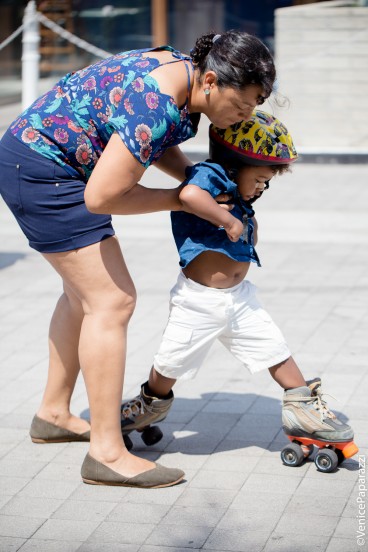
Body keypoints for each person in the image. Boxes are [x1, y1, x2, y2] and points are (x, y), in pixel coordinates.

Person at [0, 30, 277, 488]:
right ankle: (106, 453)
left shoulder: (179, 73)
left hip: (36, 156)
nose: (245, 116)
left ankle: (53, 413)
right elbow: (103, 195)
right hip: (43, 171)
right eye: (243, 106)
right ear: (211, 81)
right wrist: (181, 198)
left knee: (84, 297)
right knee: (112, 301)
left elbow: (146, 137)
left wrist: (193, 176)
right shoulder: (162, 101)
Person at [120, 111, 354, 454]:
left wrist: (248, 223)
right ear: (235, 162)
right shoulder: (209, 175)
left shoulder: (240, 198)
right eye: (259, 178)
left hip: (240, 299)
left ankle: (303, 410)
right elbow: (189, 197)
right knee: (171, 362)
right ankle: (147, 405)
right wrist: (225, 220)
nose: (262, 186)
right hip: (198, 302)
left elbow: (244, 234)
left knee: (275, 348)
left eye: (267, 182)